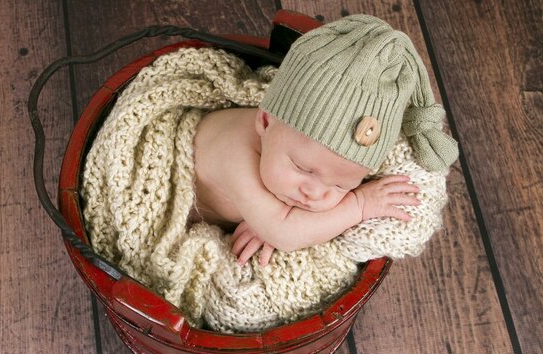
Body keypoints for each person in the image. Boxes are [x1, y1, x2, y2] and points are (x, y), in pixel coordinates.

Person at [187, 14, 459, 266]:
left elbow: (282, 227)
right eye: (302, 169)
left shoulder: (288, 147)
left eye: (343, 186)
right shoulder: (235, 154)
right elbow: (286, 234)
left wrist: (266, 221)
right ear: (265, 121)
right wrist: (358, 205)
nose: (315, 194)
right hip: (188, 205)